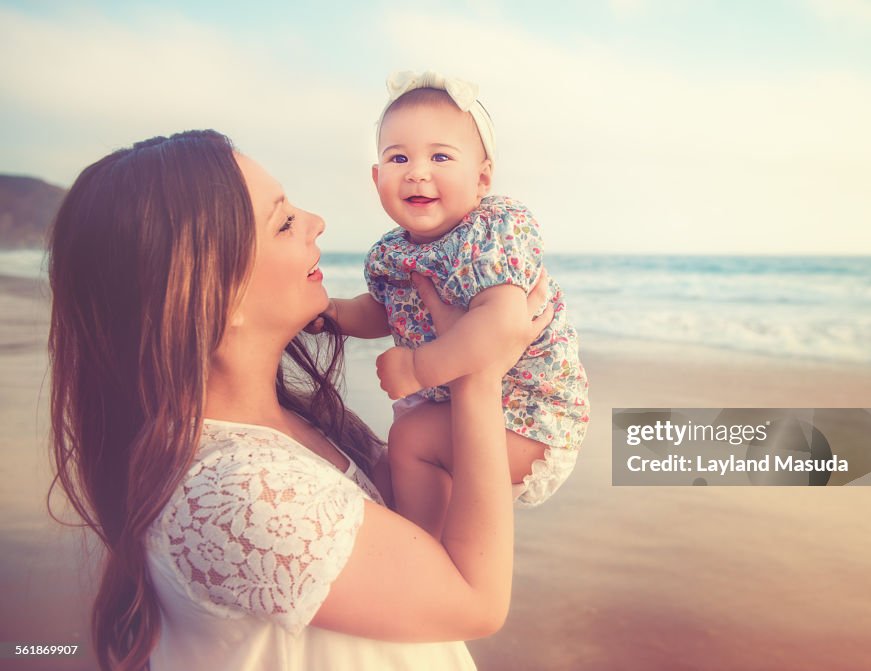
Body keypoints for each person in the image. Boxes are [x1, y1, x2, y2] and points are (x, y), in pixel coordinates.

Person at [47, 130, 552, 670]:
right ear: (209, 294)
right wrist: (474, 375)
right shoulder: (239, 492)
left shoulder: (292, 423)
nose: (315, 222)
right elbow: (473, 602)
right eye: (283, 221)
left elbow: (415, 546)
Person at [324, 71, 590, 536]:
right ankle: (428, 536)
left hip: (527, 417)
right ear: (377, 177)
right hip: (467, 409)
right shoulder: (394, 251)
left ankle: (423, 548)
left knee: (410, 439)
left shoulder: (490, 232)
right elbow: (387, 312)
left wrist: (420, 368)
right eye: (398, 157)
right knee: (399, 456)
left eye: (440, 156)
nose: (417, 171)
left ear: (482, 177)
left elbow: (503, 320)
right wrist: (333, 315)